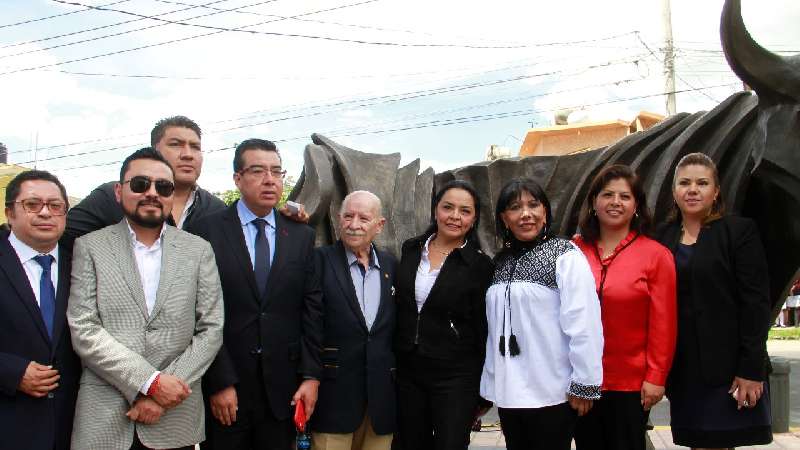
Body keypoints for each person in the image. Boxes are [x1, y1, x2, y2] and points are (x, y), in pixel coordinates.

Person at [67, 148, 224, 449]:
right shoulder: (90, 247)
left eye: (163, 187)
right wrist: (148, 382)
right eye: (140, 184)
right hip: (105, 418)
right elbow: (83, 328)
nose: (152, 193)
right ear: (119, 191)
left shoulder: (198, 250)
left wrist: (167, 391)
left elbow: (211, 328)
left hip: (175, 417)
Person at [187, 138, 323, 450]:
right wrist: (220, 380)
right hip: (227, 391)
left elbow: (312, 310)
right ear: (237, 178)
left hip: (284, 390)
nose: (270, 180)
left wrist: (311, 376)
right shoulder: (206, 232)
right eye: (258, 171)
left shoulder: (301, 235)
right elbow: (195, 311)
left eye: (277, 172)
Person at [657, 152, 772, 449]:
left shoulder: (738, 232)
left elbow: (756, 304)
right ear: (674, 192)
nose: (692, 189)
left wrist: (751, 369)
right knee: (698, 443)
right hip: (684, 370)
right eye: (684, 183)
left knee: (721, 443)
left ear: (716, 191)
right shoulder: (662, 237)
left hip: (729, 369)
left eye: (702, 183)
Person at [480, 177, 603, 450]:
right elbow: (493, 330)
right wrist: (489, 384)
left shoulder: (565, 255)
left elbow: (584, 322)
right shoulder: (500, 263)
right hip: (510, 393)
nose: (526, 214)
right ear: (504, 218)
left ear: (545, 211)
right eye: (514, 207)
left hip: (552, 392)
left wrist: (585, 382)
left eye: (533, 205)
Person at [572, 165, 677, 450]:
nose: (615, 202)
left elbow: (664, 324)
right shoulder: (573, 251)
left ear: (637, 205)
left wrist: (656, 377)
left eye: (625, 196)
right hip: (582, 380)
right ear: (594, 202)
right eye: (607, 195)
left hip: (631, 384)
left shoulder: (656, 255)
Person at [393, 180, 493, 450]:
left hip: (456, 374)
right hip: (409, 369)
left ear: (474, 219)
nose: (455, 216)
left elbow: (483, 327)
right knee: (410, 443)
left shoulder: (480, 265)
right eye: (448, 207)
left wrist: (484, 389)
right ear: (436, 210)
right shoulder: (411, 249)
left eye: (465, 211)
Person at [0, 170, 81, 450]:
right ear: (10, 212)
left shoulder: (81, 266)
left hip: (69, 428)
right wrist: (10, 371)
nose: (46, 213)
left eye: (55, 206)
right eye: (32, 205)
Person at [311, 191, 397, 450]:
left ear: (379, 225)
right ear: (339, 219)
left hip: (381, 401)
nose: (354, 224)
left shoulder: (391, 266)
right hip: (333, 398)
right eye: (348, 216)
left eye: (363, 217)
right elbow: (308, 326)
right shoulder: (319, 260)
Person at [63, 115, 226, 249]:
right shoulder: (110, 197)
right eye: (176, 144)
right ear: (154, 150)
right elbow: (59, 242)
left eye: (195, 147)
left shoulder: (217, 210)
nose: (188, 154)